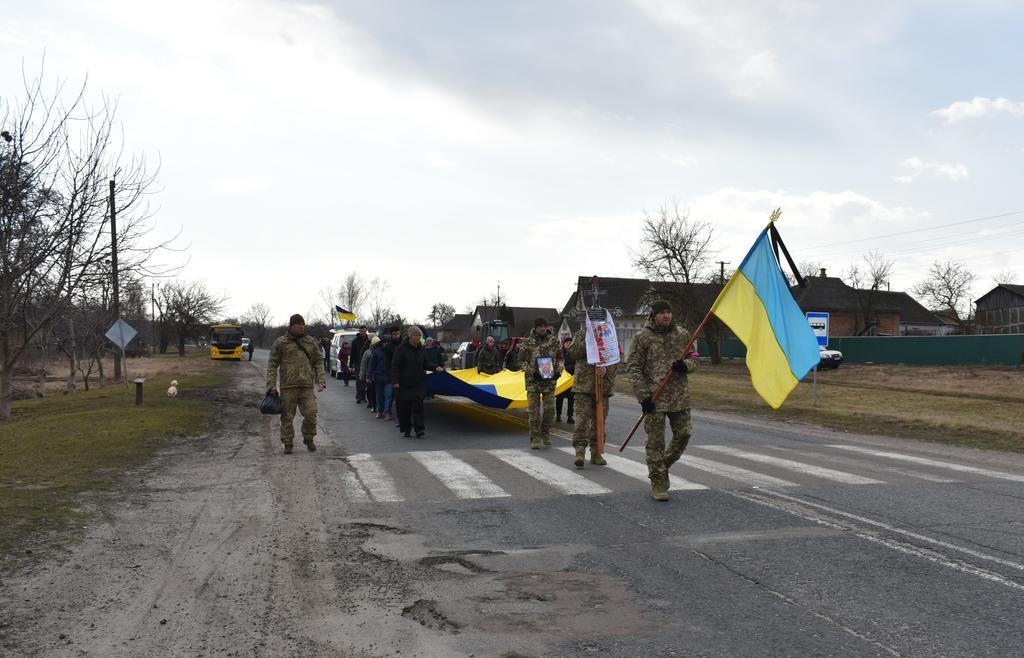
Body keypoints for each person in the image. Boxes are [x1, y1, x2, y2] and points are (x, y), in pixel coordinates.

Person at [626, 299, 699, 501]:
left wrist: (686, 366)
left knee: (684, 434)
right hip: (654, 398)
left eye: (669, 312)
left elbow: (695, 357)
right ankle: (658, 483)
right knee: (655, 443)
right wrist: (643, 397)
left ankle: (662, 465)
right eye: (662, 313)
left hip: (679, 396)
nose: (666, 316)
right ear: (654, 315)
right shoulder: (642, 338)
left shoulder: (682, 334)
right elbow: (633, 368)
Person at [266, 314, 327, 454]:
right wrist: (271, 386)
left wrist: (320, 380)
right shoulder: (281, 342)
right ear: (291, 326)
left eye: (302, 324)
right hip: (288, 386)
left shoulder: (310, 342)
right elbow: (272, 365)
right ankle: (288, 442)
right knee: (287, 416)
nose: (301, 326)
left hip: (306, 385)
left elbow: (318, 361)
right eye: (298, 324)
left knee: (311, 413)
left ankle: (309, 438)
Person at [568, 327, 617, 467]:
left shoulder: (609, 335)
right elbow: (574, 353)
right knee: (581, 420)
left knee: (599, 421)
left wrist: (607, 369)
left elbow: (615, 358)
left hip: (602, 387)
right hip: (584, 385)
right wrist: (588, 340)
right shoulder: (582, 333)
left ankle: (596, 453)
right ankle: (580, 451)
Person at [517, 317, 562, 449]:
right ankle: (535, 437)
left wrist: (558, 371)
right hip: (533, 382)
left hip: (549, 381)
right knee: (534, 412)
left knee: (549, 410)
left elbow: (560, 358)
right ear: (536, 328)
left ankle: (546, 433)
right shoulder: (528, 342)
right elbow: (520, 362)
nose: (543, 328)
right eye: (540, 326)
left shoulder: (554, 341)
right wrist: (532, 372)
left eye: (545, 326)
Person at [392, 326, 445, 437]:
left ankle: (419, 429)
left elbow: (425, 364)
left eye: (419, 335)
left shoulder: (422, 349)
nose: (418, 338)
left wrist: (436, 367)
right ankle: (406, 428)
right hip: (404, 383)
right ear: (410, 336)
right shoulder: (401, 349)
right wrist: (395, 381)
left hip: (418, 382)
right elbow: (395, 366)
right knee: (405, 408)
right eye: (415, 335)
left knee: (418, 406)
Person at [368, 336, 393, 420]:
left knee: (388, 396)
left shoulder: (392, 352)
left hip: (389, 378)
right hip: (378, 377)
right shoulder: (376, 352)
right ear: (383, 342)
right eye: (386, 342)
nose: (387, 344)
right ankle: (380, 411)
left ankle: (387, 413)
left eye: (389, 342)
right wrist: (369, 376)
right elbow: (371, 365)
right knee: (379, 396)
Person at [556, 336, 575, 423]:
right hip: (560, 379)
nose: (568, 344)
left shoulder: (574, 353)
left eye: (570, 342)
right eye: (567, 342)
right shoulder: (560, 353)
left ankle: (570, 416)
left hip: (570, 380)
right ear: (563, 344)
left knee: (571, 399)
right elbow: (557, 363)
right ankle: (558, 415)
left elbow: (576, 365)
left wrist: (566, 368)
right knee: (559, 398)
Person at [349, 325, 371, 403]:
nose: (363, 333)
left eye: (364, 331)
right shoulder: (355, 341)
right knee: (359, 381)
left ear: (366, 331)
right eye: (362, 331)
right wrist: (351, 365)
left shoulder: (369, 340)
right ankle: (359, 397)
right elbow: (352, 354)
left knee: (366, 382)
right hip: (358, 363)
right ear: (359, 331)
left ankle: (364, 397)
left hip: (367, 364)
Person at [360, 335, 379, 411]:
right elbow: (363, 364)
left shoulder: (382, 351)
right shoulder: (367, 352)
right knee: (370, 390)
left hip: (378, 375)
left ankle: (377, 405)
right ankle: (371, 403)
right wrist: (362, 375)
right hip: (370, 375)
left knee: (377, 391)